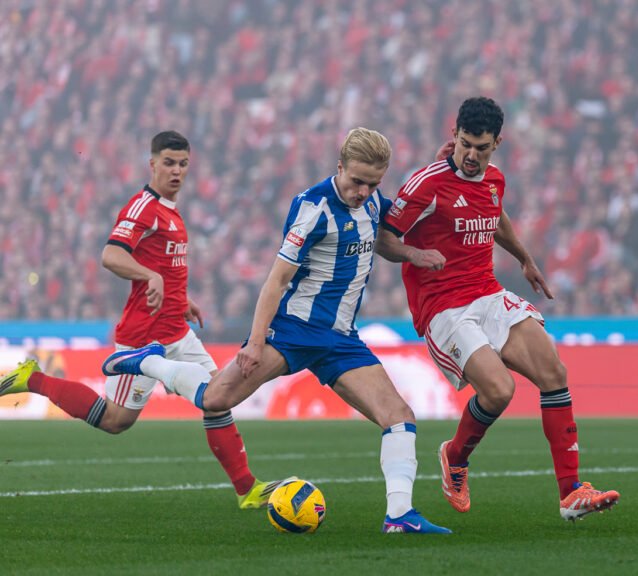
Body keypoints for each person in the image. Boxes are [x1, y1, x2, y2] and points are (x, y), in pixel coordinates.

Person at [103, 127, 451, 534]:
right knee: (216, 398)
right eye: (356, 181)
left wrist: (413, 252)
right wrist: (254, 342)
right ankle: (152, 362)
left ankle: (399, 516)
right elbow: (277, 279)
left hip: (341, 339)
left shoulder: (371, 200)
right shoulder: (313, 208)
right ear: (339, 167)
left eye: (372, 183)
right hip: (294, 332)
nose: (363, 191)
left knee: (399, 417)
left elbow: (382, 239)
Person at [0, 131, 284, 508]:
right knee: (116, 420)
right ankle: (32, 379)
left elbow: (163, 263)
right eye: (168, 162)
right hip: (142, 338)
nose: (176, 171)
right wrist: (150, 277)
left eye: (183, 164)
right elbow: (111, 255)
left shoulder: (170, 209)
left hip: (177, 332)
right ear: (152, 164)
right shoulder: (142, 207)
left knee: (218, 398)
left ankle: (247, 490)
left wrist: (182, 299)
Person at [376, 96, 620, 522]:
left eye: (481, 148)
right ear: (454, 135)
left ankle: (571, 493)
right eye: (465, 144)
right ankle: (455, 456)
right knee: (499, 390)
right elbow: (384, 238)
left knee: (553, 373)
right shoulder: (426, 184)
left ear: (497, 143)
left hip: (487, 292)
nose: (471, 155)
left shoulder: (493, 180)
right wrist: (415, 255)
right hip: (444, 307)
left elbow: (495, 215)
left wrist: (524, 258)